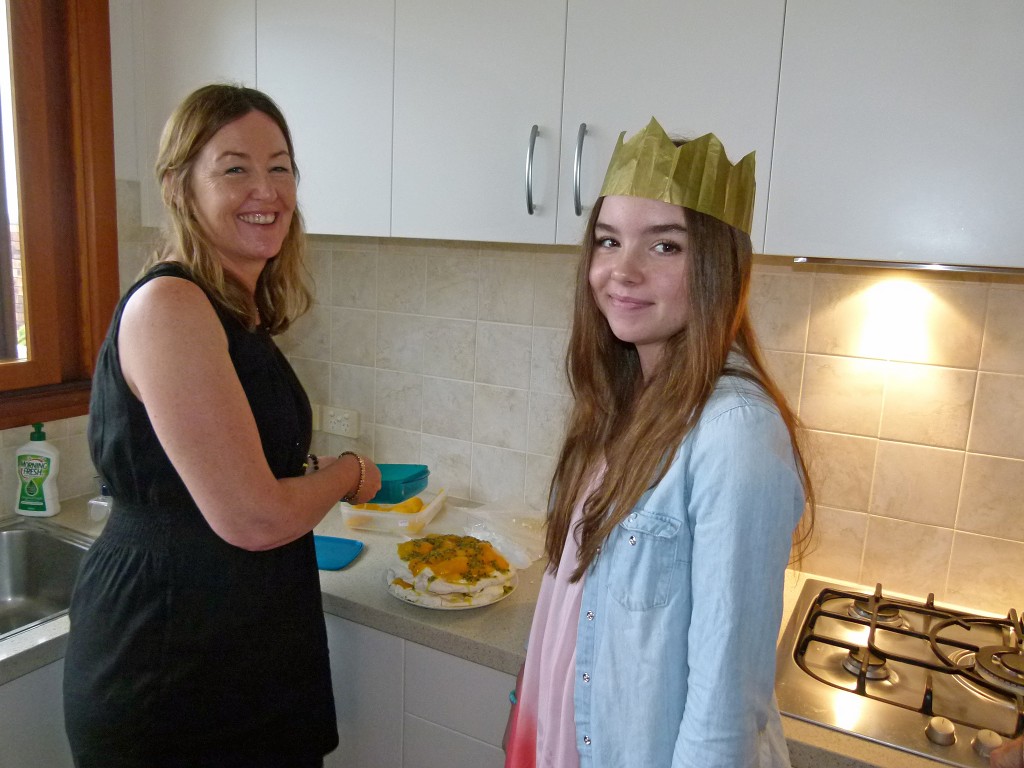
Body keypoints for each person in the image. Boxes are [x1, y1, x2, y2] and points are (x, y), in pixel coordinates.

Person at [63, 83, 382, 768]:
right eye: (235, 168)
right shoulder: (171, 306)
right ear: (181, 187)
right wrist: (349, 473)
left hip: (238, 641)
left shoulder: (231, 308)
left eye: (280, 167)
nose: (266, 190)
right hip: (171, 660)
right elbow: (254, 518)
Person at [503, 118, 814, 768]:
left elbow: (725, 708)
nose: (622, 271)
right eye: (608, 240)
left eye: (665, 246)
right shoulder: (623, 403)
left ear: (718, 267)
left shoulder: (734, 433)